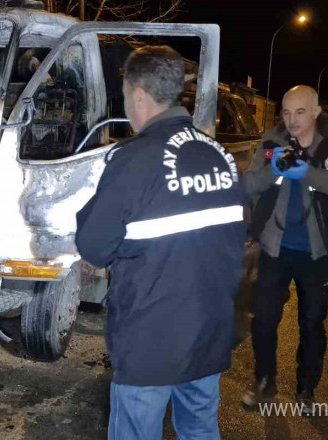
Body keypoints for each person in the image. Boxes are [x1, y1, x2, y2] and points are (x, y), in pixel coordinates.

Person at [75, 46, 246, 439]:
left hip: (151, 339)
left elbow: (95, 247)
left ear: (138, 96)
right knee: (200, 429)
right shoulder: (219, 155)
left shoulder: (133, 159)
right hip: (209, 331)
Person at [241, 85, 328, 416]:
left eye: (299, 112)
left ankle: (306, 389)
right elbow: (249, 185)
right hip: (274, 248)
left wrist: (308, 174)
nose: (291, 120)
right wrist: (275, 172)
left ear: (315, 111)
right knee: (264, 319)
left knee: (312, 322)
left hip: (316, 253)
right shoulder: (271, 143)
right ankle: (265, 382)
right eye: (285, 112)